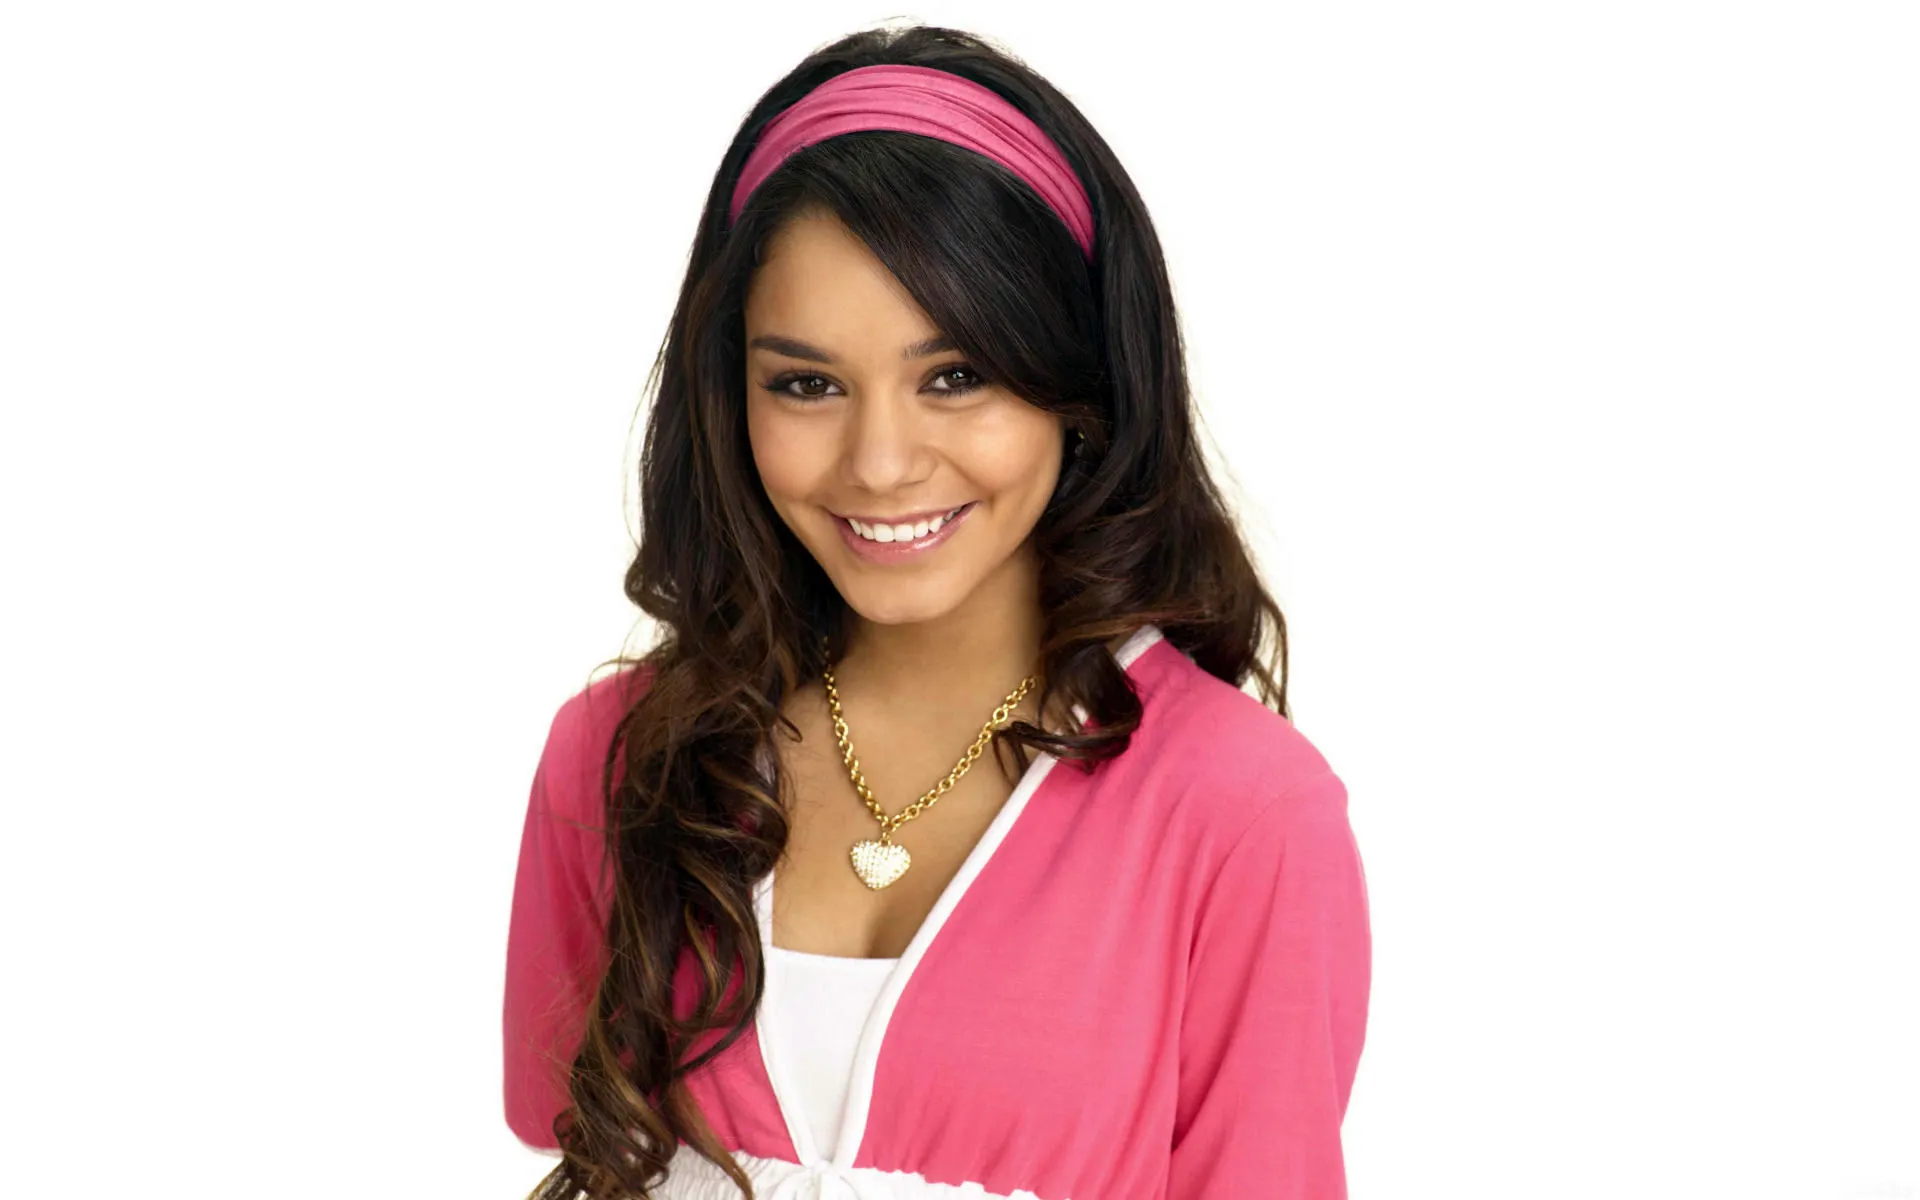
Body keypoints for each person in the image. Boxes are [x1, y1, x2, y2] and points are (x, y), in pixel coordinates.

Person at [503, 22, 1371, 1200]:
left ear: (1080, 388)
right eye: (806, 384)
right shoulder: (620, 757)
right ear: (730, 396)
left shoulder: (1243, 815)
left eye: (956, 376)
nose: (880, 462)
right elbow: (571, 1141)